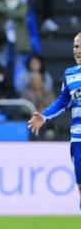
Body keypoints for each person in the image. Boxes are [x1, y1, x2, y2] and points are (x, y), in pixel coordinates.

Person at [28, 33, 81, 208]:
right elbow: (62, 101)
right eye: (75, 46)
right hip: (78, 138)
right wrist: (43, 116)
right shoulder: (70, 74)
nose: (78, 51)